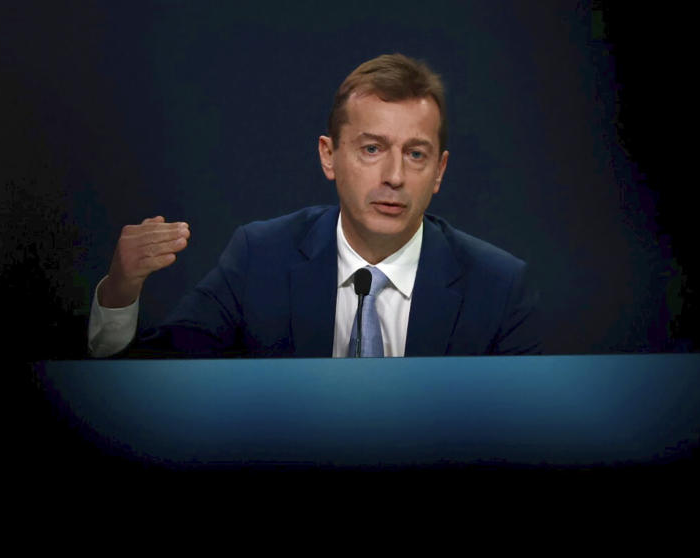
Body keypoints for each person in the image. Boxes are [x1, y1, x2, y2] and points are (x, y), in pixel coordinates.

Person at [88, 53, 541, 358]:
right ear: (329, 156)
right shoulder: (260, 257)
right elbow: (158, 379)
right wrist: (120, 292)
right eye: (372, 149)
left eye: (416, 154)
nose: (395, 176)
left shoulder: (497, 287)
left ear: (439, 170)